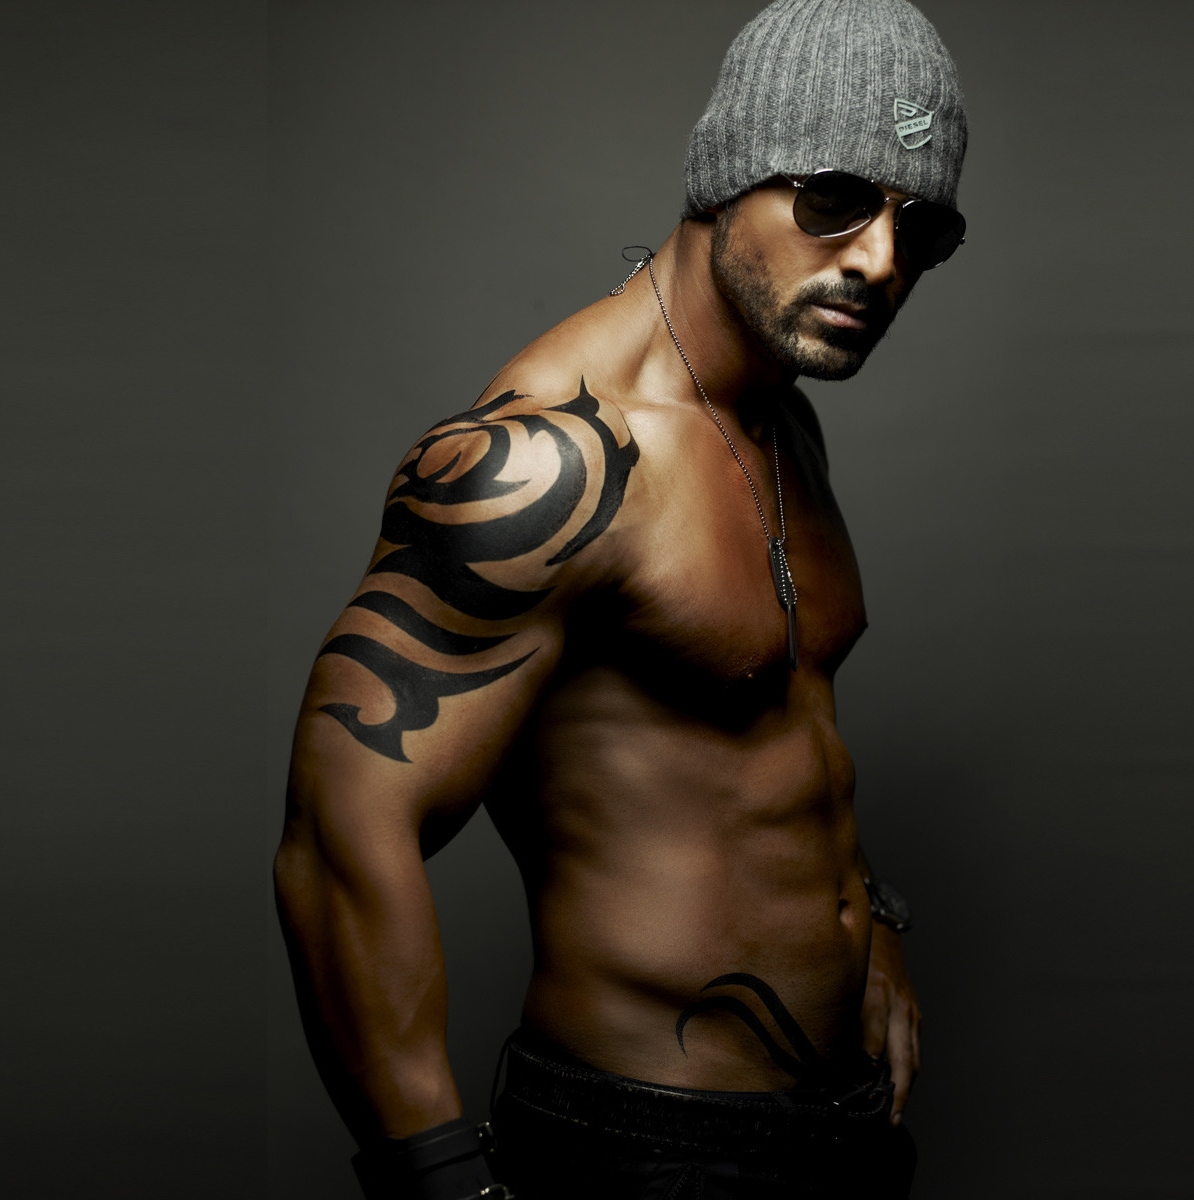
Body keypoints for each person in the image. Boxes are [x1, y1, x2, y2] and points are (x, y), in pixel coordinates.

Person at [274, 2, 968, 1196]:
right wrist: (437, 1178)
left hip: (844, 1133)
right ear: (726, 176)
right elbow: (340, 832)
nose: (878, 261)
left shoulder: (780, 421)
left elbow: (771, 731)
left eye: (923, 228)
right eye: (834, 199)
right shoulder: (547, 464)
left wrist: (870, 918)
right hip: (644, 1153)